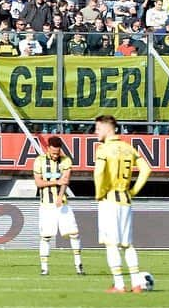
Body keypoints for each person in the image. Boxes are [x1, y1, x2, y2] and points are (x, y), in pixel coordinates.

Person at [93, 115, 152, 294]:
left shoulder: (103, 149)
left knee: (111, 244)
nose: (95, 131)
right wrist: (133, 191)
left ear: (106, 128)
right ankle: (136, 284)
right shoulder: (129, 148)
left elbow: (99, 173)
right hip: (125, 199)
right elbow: (146, 169)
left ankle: (119, 285)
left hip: (109, 199)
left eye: (97, 128)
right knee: (128, 244)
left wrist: (99, 192)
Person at [33, 136, 84, 276]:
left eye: (57, 153)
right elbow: (38, 183)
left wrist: (61, 195)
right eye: (53, 153)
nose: (55, 156)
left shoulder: (66, 160)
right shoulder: (39, 161)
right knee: (46, 236)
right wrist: (56, 182)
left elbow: (65, 180)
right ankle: (44, 268)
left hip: (62, 205)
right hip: (46, 205)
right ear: (48, 148)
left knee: (74, 233)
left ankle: (79, 266)